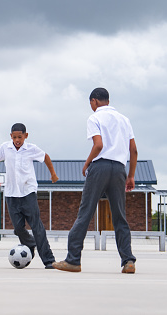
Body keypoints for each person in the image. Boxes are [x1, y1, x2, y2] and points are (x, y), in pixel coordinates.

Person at [53, 87, 138, 274]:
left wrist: (87, 163)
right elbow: (134, 151)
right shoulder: (124, 120)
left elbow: (98, 145)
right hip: (119, 169)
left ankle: (73, 260)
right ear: (108, 100)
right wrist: (130, 175)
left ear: (94, 101)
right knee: (119, 217)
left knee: (85, 213)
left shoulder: (94, 118)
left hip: (100, 167)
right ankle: (128, 261)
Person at [0, 123, 59, 269]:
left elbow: (46, 157)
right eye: (15, 137)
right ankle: (30, 244)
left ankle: (48, 260)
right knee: (18, 228)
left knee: (37, 227)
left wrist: (53, 174)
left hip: (28, 192)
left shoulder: (31, 149)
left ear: (26, 136)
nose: (17, 140)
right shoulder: (5, 147)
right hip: (11, 194)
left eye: (20, 137)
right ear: (10, 136)